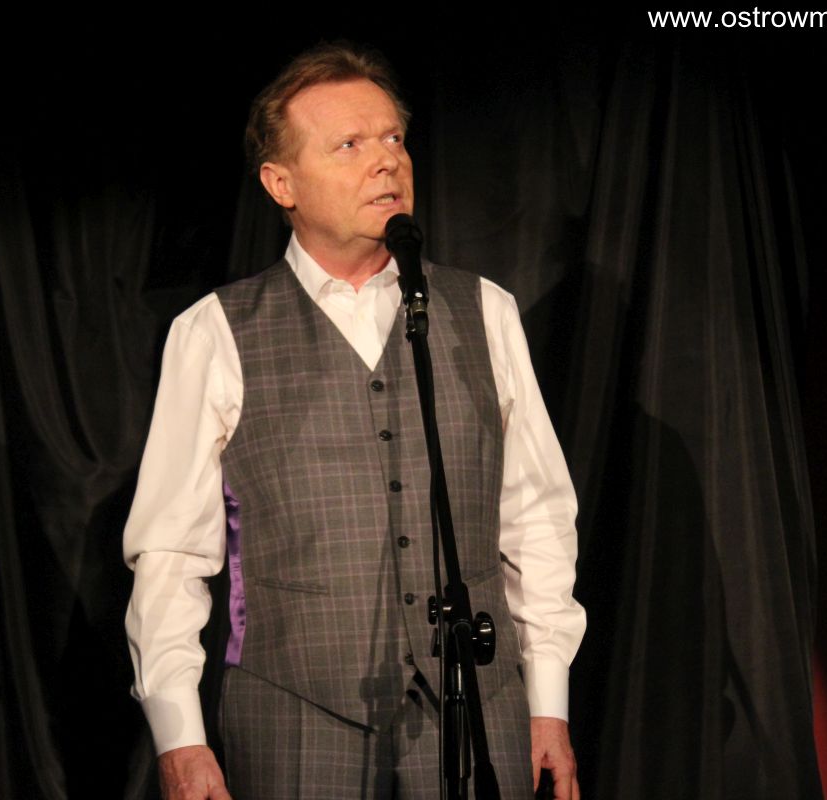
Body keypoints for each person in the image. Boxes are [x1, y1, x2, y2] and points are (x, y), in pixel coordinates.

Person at [124, 42, 586, 799]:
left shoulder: (484, 311)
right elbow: (171, 553)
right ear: (281, 183)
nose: (386, 161)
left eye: (394, 138)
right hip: (295, 722)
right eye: (348, 144)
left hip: (479, 713)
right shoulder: (214, 332)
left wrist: (548, 702)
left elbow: (536, 520)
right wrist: (179, 736)